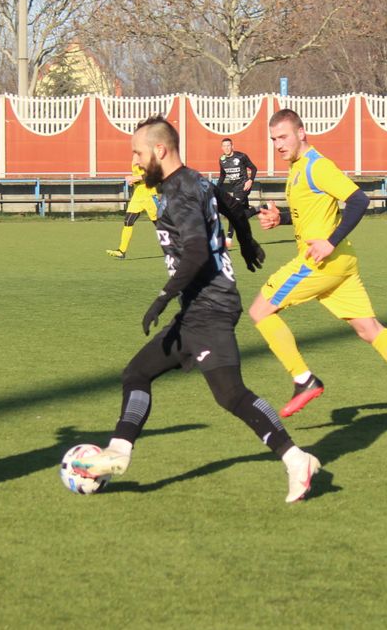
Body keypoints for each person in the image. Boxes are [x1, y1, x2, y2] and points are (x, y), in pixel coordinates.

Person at [74, 116, 321, 503]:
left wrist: (163, 295)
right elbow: (232, 205)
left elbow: (196, 251)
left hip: (211, 307)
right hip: (196, 309)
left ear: (160, 150)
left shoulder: (180, 193)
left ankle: (296, 460)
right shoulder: (196, 180)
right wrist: (247, 242)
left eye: (138, 153)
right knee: (137, 372)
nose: (135, 162)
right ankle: (118, 453)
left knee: (231, 395)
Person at [248, 108, 387, 433]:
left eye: (283, 137)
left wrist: (330, 242)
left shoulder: (317, 166)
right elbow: (312, 214)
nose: (278, 145)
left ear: (301, 132)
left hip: (319, 262)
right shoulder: (297, 168)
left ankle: (303, 379)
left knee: (259, 311)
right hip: (339, 264)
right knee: (369, 329)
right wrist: (280, 219)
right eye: (273, 140)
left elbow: (358, 200)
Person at [105, 162, 158, 259]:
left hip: (149, 196)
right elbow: (140, 179)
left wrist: (133, 178)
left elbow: (150, 175)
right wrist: (133, 181)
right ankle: (121, 251)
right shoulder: (134, 161)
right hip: (137, 197)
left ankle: (180, 246)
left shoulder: (147, 158)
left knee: (161, 225)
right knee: (128, 221)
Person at [216, 137, 258, 249]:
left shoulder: (241, 156)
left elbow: (254, 168)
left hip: (244, 186)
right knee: (243, 215)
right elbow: (222, 176)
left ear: (232, 146)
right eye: (224, 146)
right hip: (235, 189)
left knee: (233, 211)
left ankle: (228, 239)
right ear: (222, 148)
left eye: (228, 145)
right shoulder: (222, 160)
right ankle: (263, 208)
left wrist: (250, 180)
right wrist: (216, 188)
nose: (226, 148)